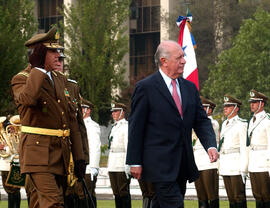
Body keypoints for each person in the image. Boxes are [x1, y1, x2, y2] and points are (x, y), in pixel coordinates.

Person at [126, 40, 218, 208]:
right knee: (174, 204)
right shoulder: (146, 88)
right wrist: (134, 161)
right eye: (179, 57)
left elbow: (201, 121)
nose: (184, 61)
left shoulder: (190, 88)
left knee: (162, 204)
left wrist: (211, 145)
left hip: (183, 164)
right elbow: (136, 127)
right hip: (158, 165)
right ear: (164, 61)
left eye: (183, 57)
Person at [11, 27, 86, 207]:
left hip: (60, 153)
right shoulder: (22, 79)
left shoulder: (60, 80)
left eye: (58, 50)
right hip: (37, 154)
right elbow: (28, 99)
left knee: (40, 203)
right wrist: (37, 68)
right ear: (38, 54)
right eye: (52, 51)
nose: (57, 55)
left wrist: (79, 157)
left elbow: (72, 121)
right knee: (53, 203)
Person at [218, 94, 248, 208]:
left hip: (236, 166)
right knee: (230, 197)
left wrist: (243, 168)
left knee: (239, 197)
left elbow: (244, 148)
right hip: (226, 165)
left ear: (236, 108)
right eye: (225, 106)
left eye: (229, 106)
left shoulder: (242, 124)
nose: (225, 108)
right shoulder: (224, 124)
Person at [193, 96, 220, 208]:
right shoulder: (195, 123)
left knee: (211, 195)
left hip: (209, 162)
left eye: (203, 108)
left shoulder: (213, 123)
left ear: (209, 110)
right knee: (201, 195)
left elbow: (206, 128)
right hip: (197, 161)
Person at [246, 89, 270, 208]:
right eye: (251, 102)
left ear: (262, 103)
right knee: (257, 195)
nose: (252, 105)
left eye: (254, 102)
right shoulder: (251, 121)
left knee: (266, 195)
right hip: (254, 163)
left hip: (264, 164)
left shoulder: (267, 120)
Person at [108, 102, 131, 208]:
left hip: (121, 163)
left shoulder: (126, 127)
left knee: (123, 192)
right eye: (112, 112)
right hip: (112, 163)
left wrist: (128, 164)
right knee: (116, 192)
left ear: (122, 112)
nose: (113, 114)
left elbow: (128, 146)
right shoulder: (114, 127)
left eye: (116, 111)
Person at [81, 98, 101, 208]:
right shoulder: (78, 123)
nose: (80, 110)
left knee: (88, 195)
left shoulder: (92, 126)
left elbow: (95, 147)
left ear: (88, 110)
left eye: (83, 108)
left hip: (88, 167)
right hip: (79, 166)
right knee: (80, 196)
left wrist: (93, 166)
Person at [0, 116, 21, 208]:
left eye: (13, 126)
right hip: (5, 166)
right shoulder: (2, 138)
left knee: (16, 191)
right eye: (10, 126)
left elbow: (18, 151)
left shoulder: (18, 137)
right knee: (9, 191)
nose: (12, 128)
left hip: (16, 166)